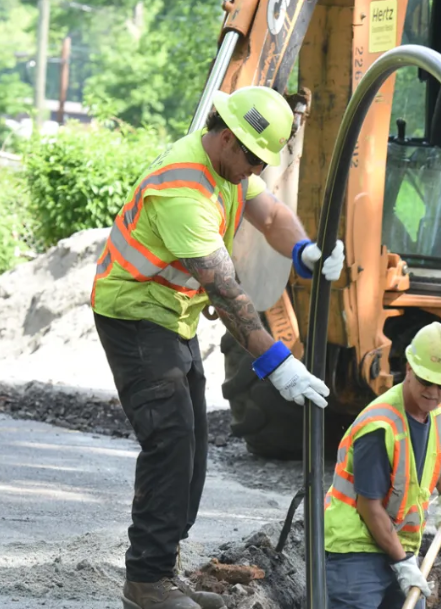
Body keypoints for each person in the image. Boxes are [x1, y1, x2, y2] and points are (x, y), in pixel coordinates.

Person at [90, 85, 345, 609]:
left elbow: (272, 217)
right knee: (170, 441)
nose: (254, 169)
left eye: (260, 160)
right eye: (251, 156)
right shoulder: (184, 191)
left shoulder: (229, 168)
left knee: (194, 449)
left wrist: (305, 251)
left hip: (171, 314)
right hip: (134, 312)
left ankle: (165, 568)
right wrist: (279, 364)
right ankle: (146, 583)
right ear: (225, 137)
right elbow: (227, 294)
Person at [323, 322, 441, 609]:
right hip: (356, 548)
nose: (433, 392)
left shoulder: (437, 411)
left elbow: (440, 451)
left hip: (399, 542)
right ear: (409, 368)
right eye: (426, 381)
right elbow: (369, 506)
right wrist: (402, 563)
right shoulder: (380, 426)